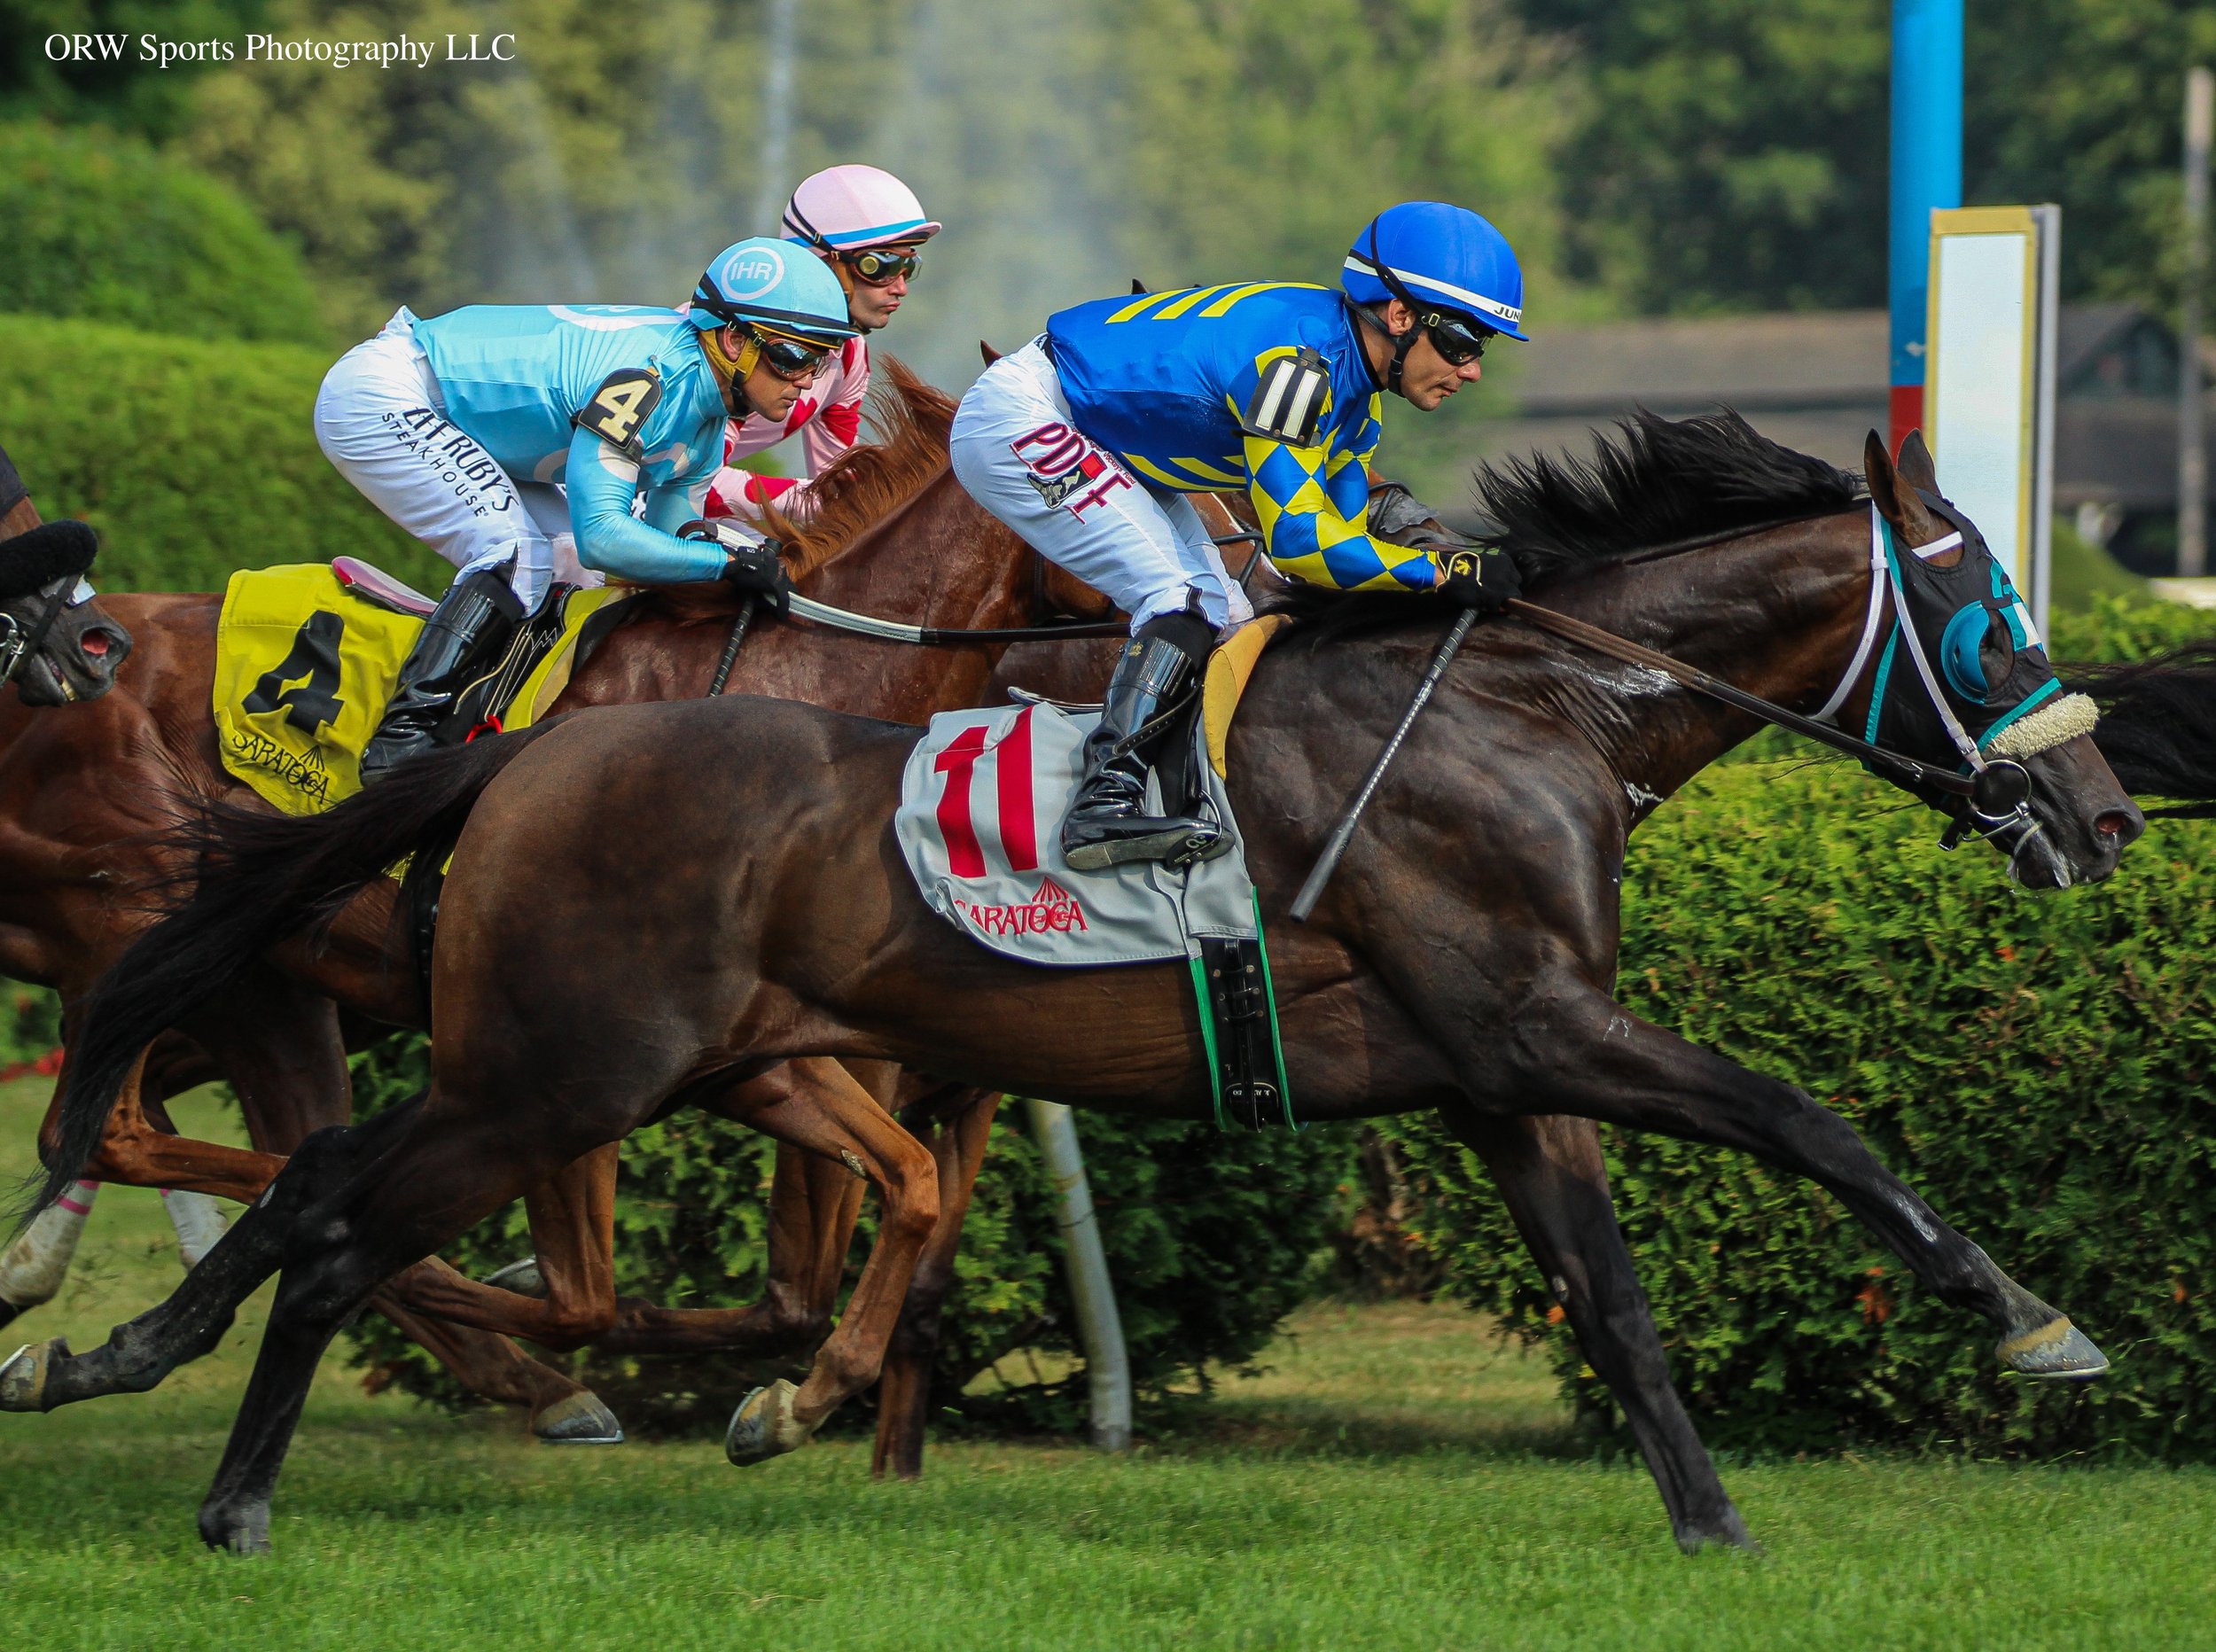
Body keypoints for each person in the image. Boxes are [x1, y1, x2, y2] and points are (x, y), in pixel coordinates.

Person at [948, 199, 1529, 870]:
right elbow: (1303, 548)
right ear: (1400, 316)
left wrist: (1442, 572)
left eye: (1482, 347)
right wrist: (1442, 574)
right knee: (1181, 600)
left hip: (1111, 440)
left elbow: (1342, 547)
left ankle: (1177, 797)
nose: (1473, 369)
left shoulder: (1358, 404)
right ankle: (1101, 804)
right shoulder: (1299, 371)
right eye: (1462, 341)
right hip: (1026, 412)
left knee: (1228, 613)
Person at [314, 238, 856, 779]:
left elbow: (663, 547)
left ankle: (488, 722)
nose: (807, 380)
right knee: (517, 554)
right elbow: (604, 537)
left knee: (577, 570)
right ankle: (400, 744)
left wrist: (743, 557)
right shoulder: (649, 381)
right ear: (734, 340)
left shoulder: (708, 423)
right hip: (389, 390)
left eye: (822, 358)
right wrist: (727, 563)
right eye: (794, 356)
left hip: (465, 420)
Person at [705, 165, 940, 517]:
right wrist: (825, 502)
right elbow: (694, 483)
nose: (901, 287)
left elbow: (837, 474)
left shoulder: (850, 355)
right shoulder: (741, 338)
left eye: (909, 266)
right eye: (883, 266)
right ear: (824, 261)